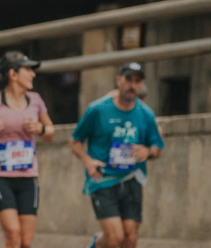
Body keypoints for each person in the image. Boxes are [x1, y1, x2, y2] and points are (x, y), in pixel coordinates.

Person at [70, 62, 165, 248]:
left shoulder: (146, 114)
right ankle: (97, 243)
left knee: (130, 238)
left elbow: (157, 147)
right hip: (103, 179)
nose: (133, 85)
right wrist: (88, 161)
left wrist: (148, 152)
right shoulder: (97, 110)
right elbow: (75, 141)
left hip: (132, 179)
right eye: (129, 79)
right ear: (118, 80)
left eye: (137, 81)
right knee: (114, 239)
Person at [0, 52, 54, 248]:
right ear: (13, 74)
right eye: (28, 70)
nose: (33, 74)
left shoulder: (36, 100)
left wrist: (39, 128)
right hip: (1, 177)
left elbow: (50, 134)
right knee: (13, 233)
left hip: (28, 177)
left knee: (25, 241)